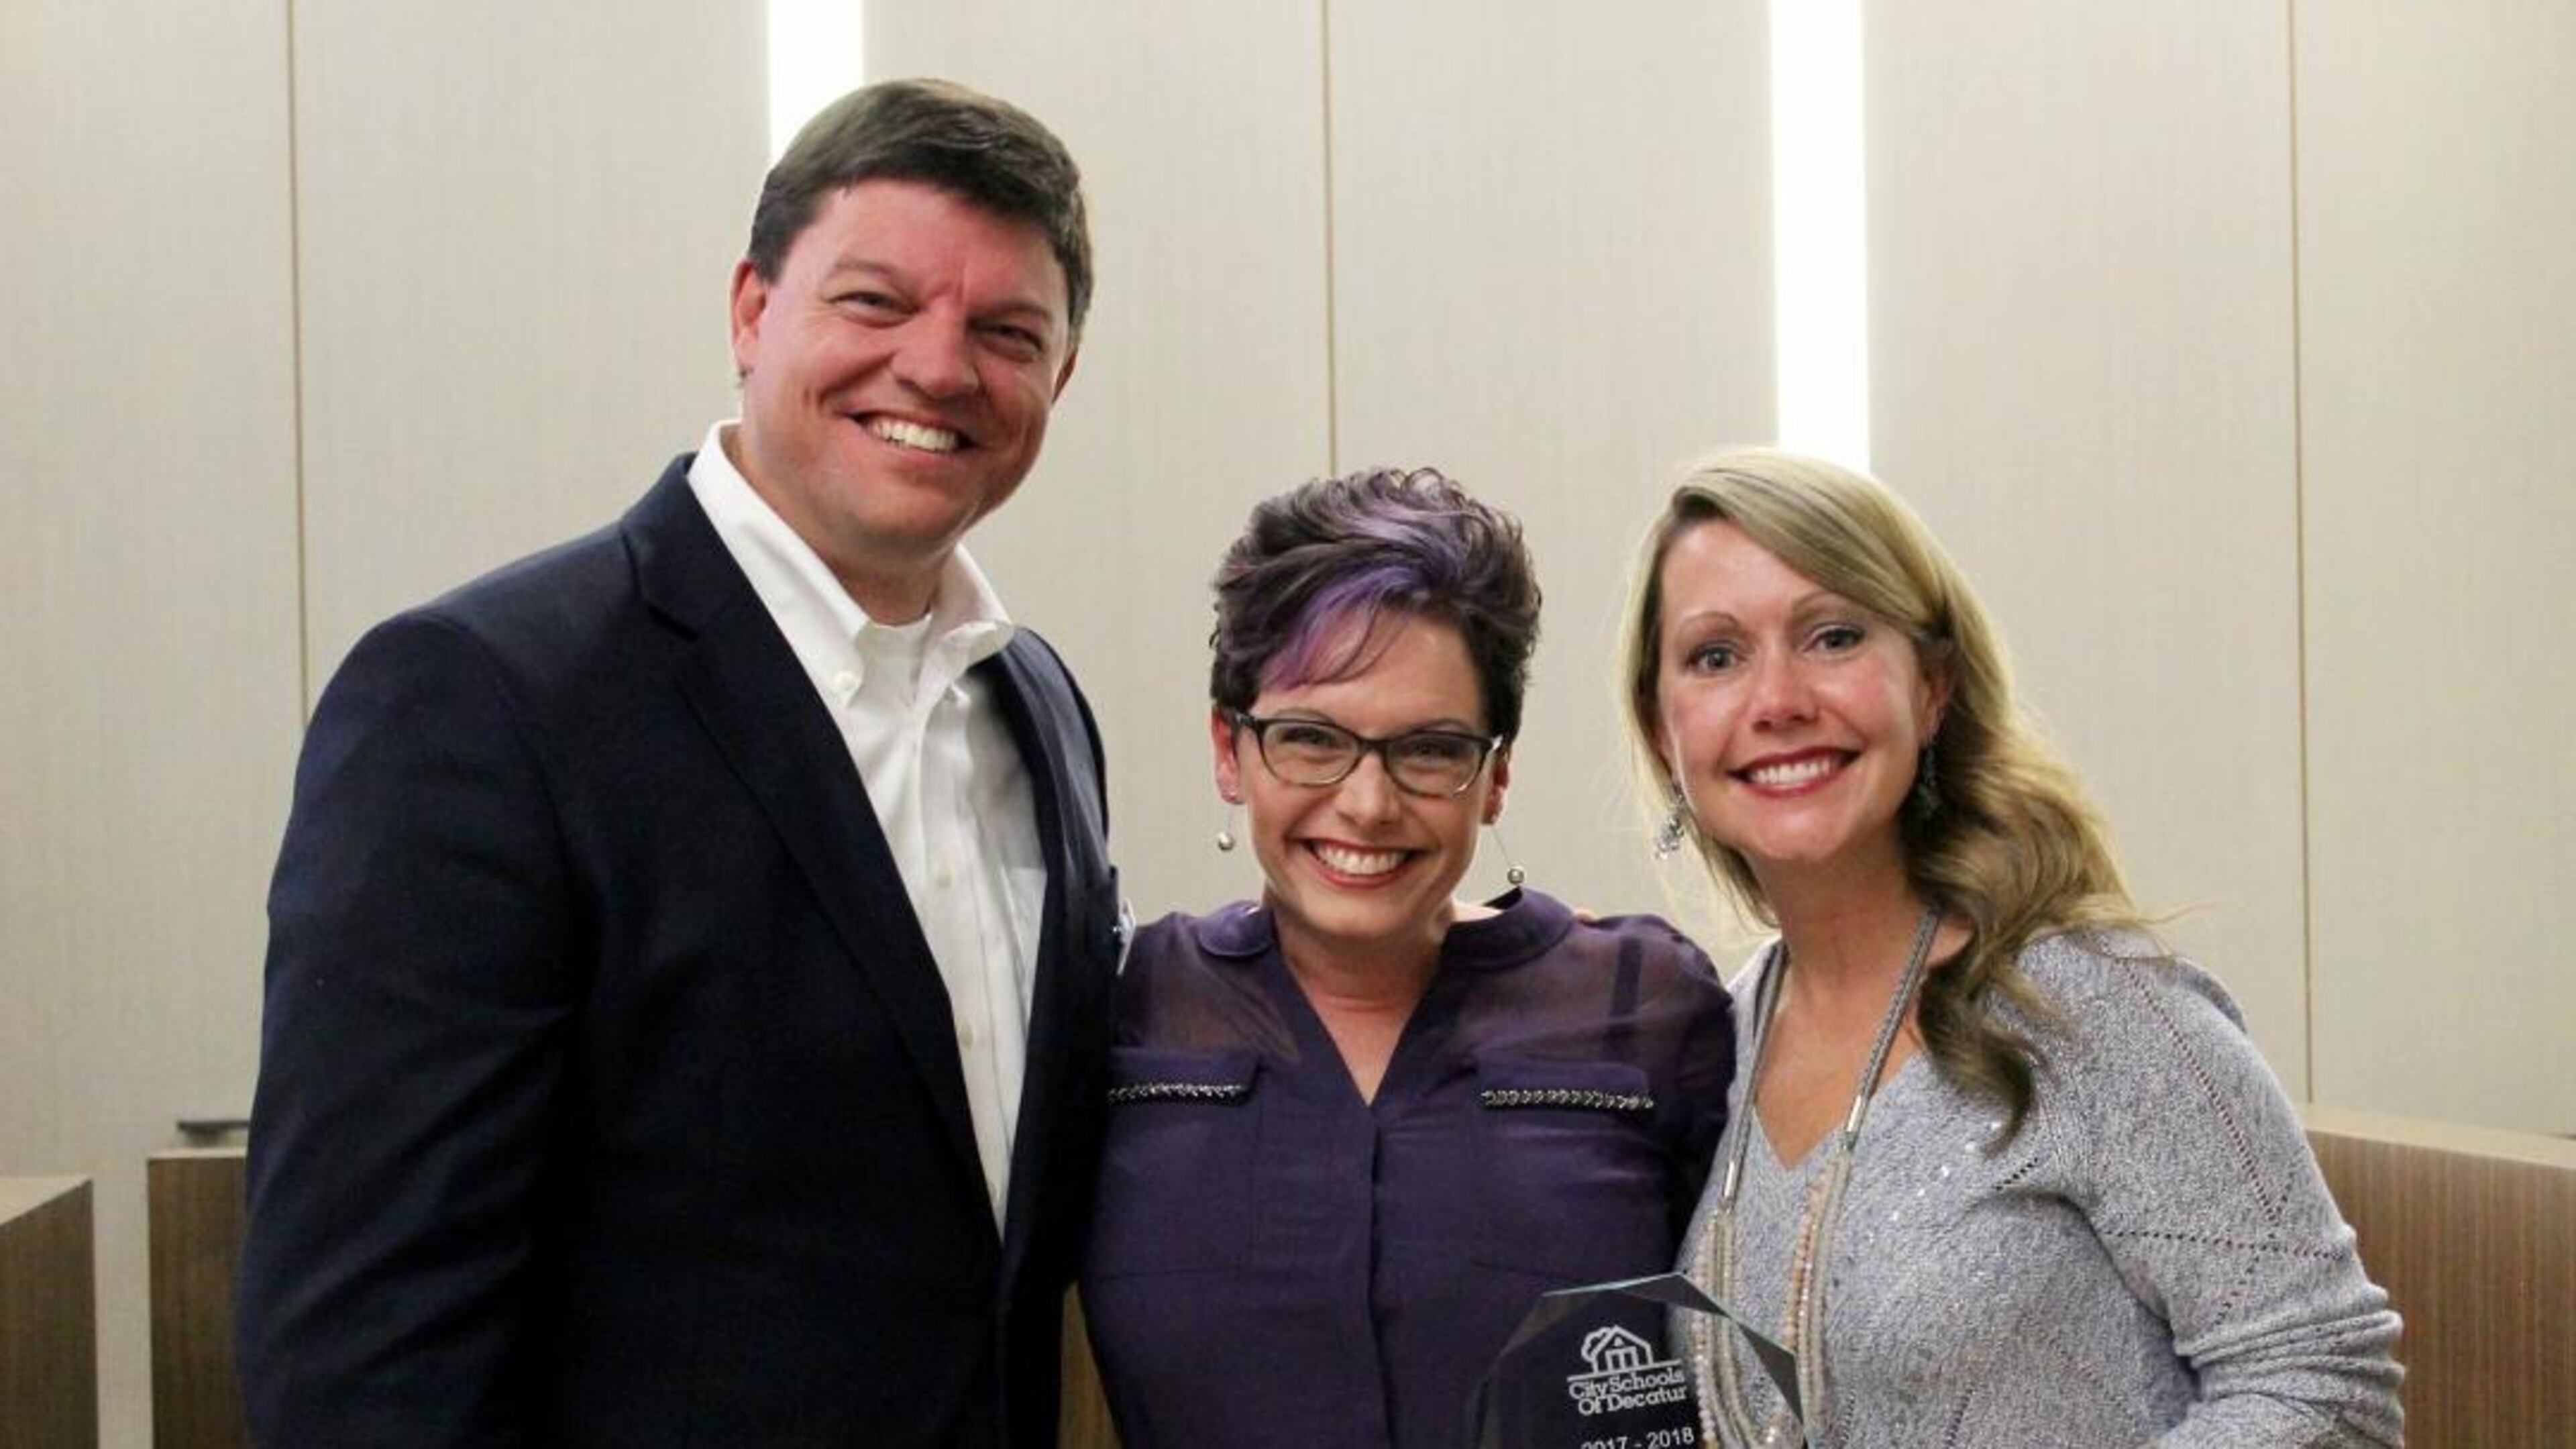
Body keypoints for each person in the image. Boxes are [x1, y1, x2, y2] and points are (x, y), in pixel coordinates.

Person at [236, 79, 1122, 1449]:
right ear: (753, 310)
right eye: (876, 303)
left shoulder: (1037, 706)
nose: (941, 369)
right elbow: (366, 1351)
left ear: (1058, 377)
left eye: (1007, 332)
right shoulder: (478, 704)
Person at [1619, 448, 2402, 1446]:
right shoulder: (1713, 1044)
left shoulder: (2094, 1005)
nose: (1777, 699)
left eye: (1833, 636)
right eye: (1716, 657)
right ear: (1663, 730)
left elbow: (2324, 1382)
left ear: (1933, 688)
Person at [1080, 468, 1735, 1448]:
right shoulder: (1126, 1011)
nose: (1368, 804)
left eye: (1429, 750)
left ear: (1497, 773)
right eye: (1310, 739)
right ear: (1229, 748)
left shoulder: (1645, 1011)